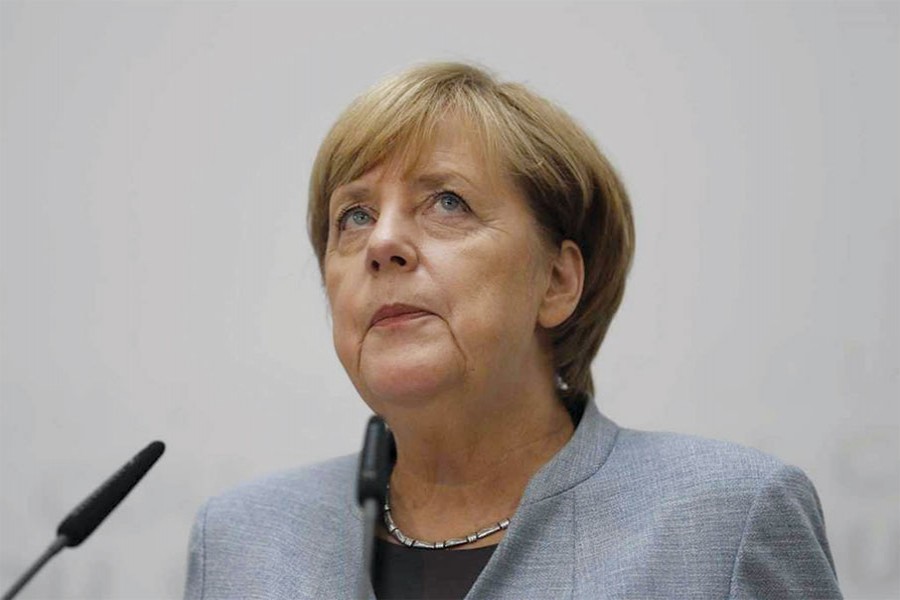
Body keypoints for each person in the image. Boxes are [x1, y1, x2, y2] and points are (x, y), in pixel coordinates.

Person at [183, 62, 842, 599]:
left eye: (448, 202)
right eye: (352, 217)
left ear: (556, 282)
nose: (382, 242)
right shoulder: (243, 540)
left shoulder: (724, 521)